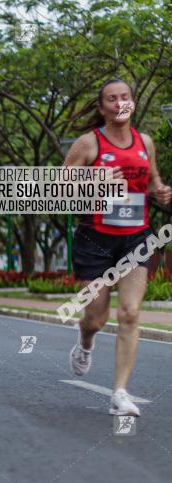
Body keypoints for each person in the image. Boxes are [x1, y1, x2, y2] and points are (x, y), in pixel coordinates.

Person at [64, 78, 172, 416]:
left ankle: (120, 392)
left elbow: (152, 179)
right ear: (102, 108)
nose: (119, 103)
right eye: (112, 99)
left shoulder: (146, 142)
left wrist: (159, 190)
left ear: (133, 104)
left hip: (136, 238)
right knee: (95, 318)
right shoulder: (87, 143)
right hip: (94, 239)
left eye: (125, 97)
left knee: (130, 313)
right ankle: (85, 341)